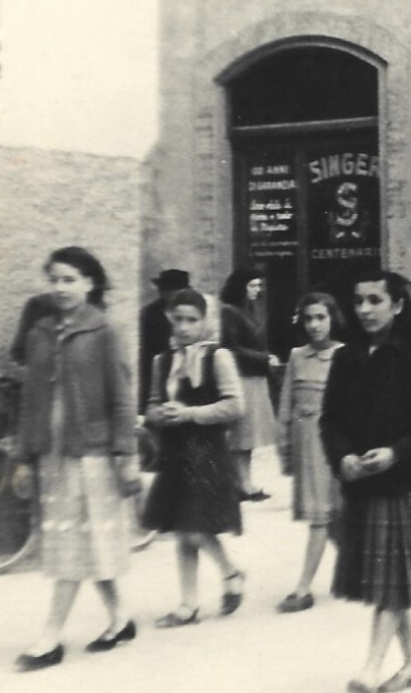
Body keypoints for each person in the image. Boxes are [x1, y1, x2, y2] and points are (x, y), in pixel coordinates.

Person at [321, 270, 411, 693]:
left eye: (375, 300)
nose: (364, 310)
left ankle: (370, 670)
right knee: (390, 577)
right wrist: (341, 458)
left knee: (390, 579)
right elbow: (330, 420)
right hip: (361, 481)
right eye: (358, 301)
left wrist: (397, 453)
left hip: (407, 479)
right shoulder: (347, 358)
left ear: (397, 305)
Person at [12, 247, 142, 671]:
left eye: (70, 279)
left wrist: (127, 455)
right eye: (54, 279)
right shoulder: (39, 333)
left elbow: (122, 401)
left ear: (90, 283)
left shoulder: (106, 332)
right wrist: (22, 459)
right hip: (53, 457)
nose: (60, 288)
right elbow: (30, 402)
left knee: (73, 545)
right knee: (89, 544)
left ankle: (50, 638)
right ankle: (120, 619)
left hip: (93, 457)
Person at [142, 288, 248, 629]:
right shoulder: (163, 361)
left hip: (206, 451)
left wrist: (189, 413)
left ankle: (231, 573)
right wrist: (158, 414)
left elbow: (235, 405)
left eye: (193, 320)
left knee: (196, 527)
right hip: (174, 453)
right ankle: (188, 604)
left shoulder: (217, 357)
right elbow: (153, 404)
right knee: (182, 528)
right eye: (178, 320)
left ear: (205, 321)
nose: (185, 327)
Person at [276, 292, 347, 613]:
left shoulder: (346, 356)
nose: (315, 325)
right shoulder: (296, 356)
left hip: (333, 441)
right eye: (308, 319)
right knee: (328, 514)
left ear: (333, 318)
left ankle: (303, 587)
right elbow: (286, 408)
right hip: (306, 443)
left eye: (321, 317)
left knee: (324, 514)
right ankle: (356, 565)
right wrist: (286, 449)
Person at [218, 269, 281, 502]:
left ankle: (244, 482)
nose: (257, 290)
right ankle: (241, 484)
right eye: (252, 285)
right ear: (241, 287)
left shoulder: (247, 310)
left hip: (254, 378)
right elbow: (231, 349)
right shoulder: (229, 312)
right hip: (242, 379)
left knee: (248, 438)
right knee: (241, 436)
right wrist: (263, 358)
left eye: (258, 285)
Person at [138, 269, 191, 412]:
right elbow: (144, 350)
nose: (174, 296)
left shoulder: (190, 312)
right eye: (170, 291)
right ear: (162, 292)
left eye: (179, 292)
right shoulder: (149, 314)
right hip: (155, 371)